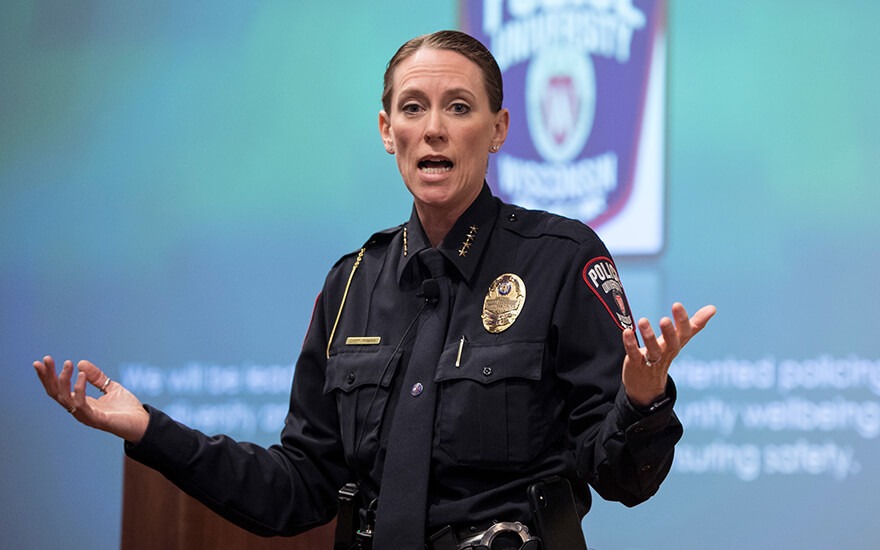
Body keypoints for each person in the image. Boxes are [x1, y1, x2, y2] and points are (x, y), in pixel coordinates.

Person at [34, 30, 715, 550]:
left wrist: (642, 397)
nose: (435, 129)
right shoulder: (351, 283)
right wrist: (151, 430)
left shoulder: (561, 259)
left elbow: (623, 477)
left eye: (459, 107)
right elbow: (300, 487)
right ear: (388, 133)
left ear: (499, 129)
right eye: (413, 108)